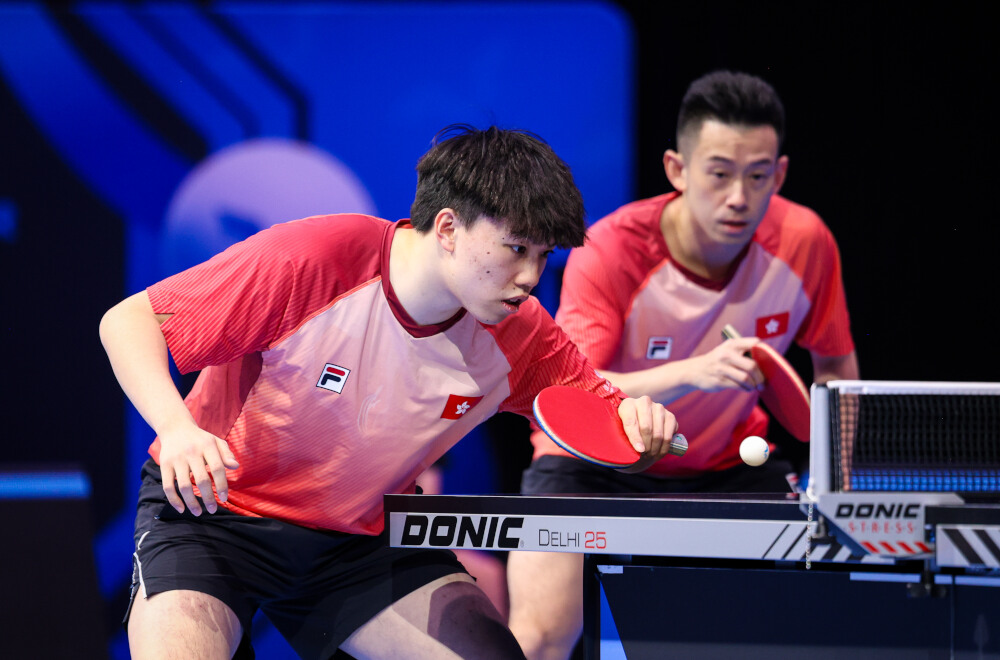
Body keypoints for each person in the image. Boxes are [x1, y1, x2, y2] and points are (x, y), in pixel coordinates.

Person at [99, 124, 680, 660]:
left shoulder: (520, 333)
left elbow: (608, 419)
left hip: (360, 543)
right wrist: (177, 429)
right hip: (215, 516)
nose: (530, 278)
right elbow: (129, 322)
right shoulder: (315, 259)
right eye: (516, 249)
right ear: (449, 228)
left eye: (543, 256)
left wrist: (642, 430)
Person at [506, 71, 860, 660]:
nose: (739, 198)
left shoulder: (806, 242)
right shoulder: (613, 251)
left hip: (730, 468)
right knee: (539, 639)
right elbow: (566, 395)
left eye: (757, 176)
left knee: (799, 635)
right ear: (677, 169)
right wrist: (692, 371)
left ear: (780, 174)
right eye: (719, 174)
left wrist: (843, 486)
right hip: (592, 468)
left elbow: (835, 369)